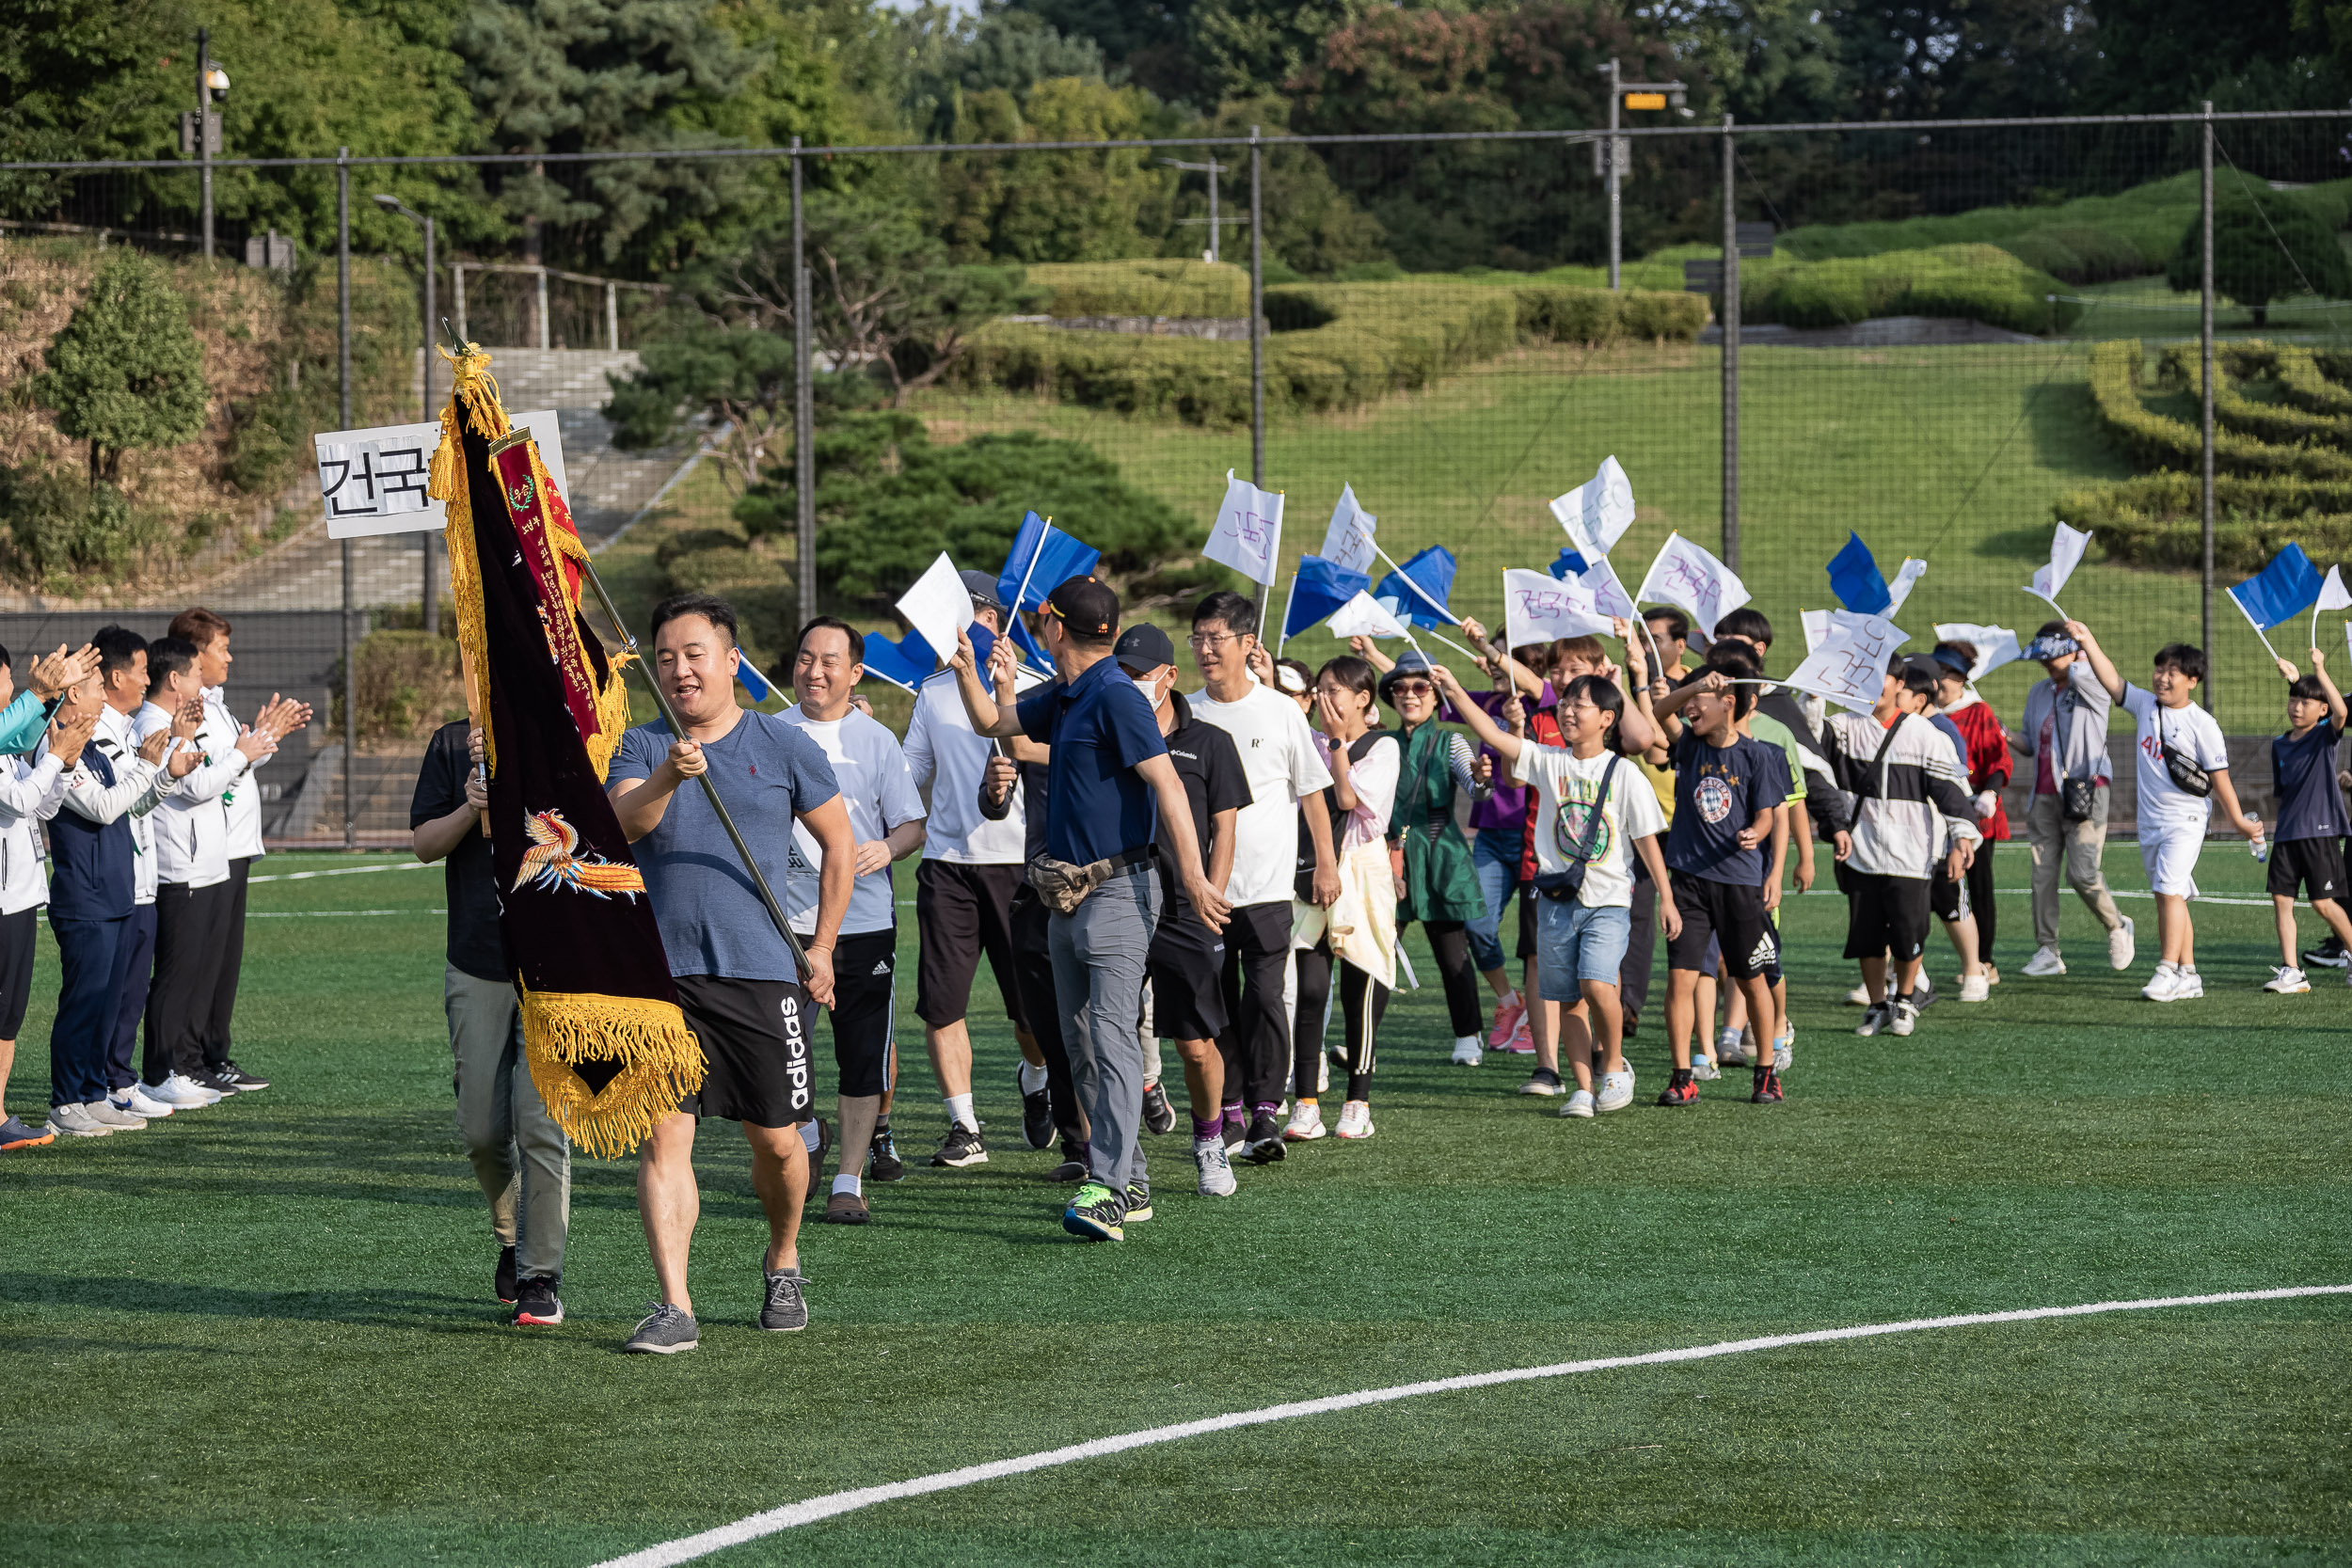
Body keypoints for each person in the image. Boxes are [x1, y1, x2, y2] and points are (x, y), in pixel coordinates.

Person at [609, 592, 855, 1354]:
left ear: (732, 661)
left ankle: (782, 1258)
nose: (679, 670)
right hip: (660, 979)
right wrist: (671, 778)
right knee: (663, 1138)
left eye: (694, 654)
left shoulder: (783, 747)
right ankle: (675, 1304)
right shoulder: (643, 747)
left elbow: (840, 847)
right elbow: (623, 823)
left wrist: (823, 948)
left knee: (779, 1141)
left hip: (763, 975)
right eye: (666, 659)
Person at [950, 576, 1230, 1243]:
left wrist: (1192, 874)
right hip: (1066, 895)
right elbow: (997, 728)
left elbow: (1166, 783)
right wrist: (975, 672)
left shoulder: (1115, 695)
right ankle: (1130, 1180)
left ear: (1053, 627)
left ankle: (1106, 1187)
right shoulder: (1070, 693)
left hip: (1119, 891)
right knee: (1077, 1043)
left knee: (1108, 1035)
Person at [1439, 663, 1673, 1119]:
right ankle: (1583, 1089)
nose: (1567, 711)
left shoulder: (1625, 774)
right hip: (1555, 900)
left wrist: (1667, 897)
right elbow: (1491, 732)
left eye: (1579, 705)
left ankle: (1615, 1065)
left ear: (1607, 719)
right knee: (1567, 999)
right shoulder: (1548, 761)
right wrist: (1453, 689)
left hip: (1607, 901)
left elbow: (1646, 840)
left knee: (1596, 982)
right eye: (1565, 703)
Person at [411, 721, 573, 1324]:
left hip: (554, 968)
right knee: (481, 1128)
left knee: (542, 1127)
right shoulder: (455, 743)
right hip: (476, 961)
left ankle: (540, 1274)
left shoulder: (573, 732)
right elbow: (425, 843)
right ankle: (512, 1235)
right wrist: (470, 805)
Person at [903, 572, 1062, 1174]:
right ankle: (964, 1126)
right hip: (947, 867)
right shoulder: (932, 691)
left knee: (1029, 1012)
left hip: (1024, 869)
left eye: (971, 617)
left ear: (996, 620)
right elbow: (909, 773)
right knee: (942, 1005)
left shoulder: (1039, 688)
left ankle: (1038, 1074)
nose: (958, 631)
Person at [778, 617, 927, 1225]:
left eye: (830, 660)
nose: (815, 671)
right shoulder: (769, 732)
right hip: (786, 925)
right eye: (806, 657)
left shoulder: (877, 741)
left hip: (865, 926)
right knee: (782, 1050)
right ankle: (806, 1129)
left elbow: (912, 825)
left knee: (863, 1054)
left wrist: (886, 848)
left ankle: (847, 1178)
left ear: (855, 672)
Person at [1184, 590, 1334, 1160]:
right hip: (1205, 890)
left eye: (1216, 638)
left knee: (1267, 999)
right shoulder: (1186, 712)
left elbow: (1312, 792)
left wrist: (1325, 862)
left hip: (1269, 888)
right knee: (1214, 1005)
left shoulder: (1279, 710)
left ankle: (1267, 1112)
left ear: (1249, 644)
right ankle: (1228, 1112)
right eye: (1198, 638)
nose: (1204, 649)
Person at [42, 649, 197, 1139]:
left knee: (106, 1003)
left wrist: (165, 772)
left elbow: (135, 804)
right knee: (83, 1003)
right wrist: (147, 768)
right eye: (93, 690)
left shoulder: (92, 748)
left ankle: (92, 1092)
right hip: (83, 896)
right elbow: (105, 808)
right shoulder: (59, 748)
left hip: (114, 891)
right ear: (74, 696)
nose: (100, 698)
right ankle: (65, 1101)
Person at [1119, 624, 1250, 1194]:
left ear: (1170, 677)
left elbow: (1225, 826)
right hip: (1118, 900)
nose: (1129, 685)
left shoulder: (1211, 741)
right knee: (1110, 1038)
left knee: (1196, 1047)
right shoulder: (1110, 730)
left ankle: (1209, 1140)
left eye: (1139, 675)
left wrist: (1209, 895)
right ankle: (1118, 1160)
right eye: (1120, 674)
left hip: (1185, 909)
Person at [2066, 623, 2258, 1001]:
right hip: (2150, 822)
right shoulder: (2145, 706)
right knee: (2169, 896)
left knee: (2169, 891)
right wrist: (2088, 640)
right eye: (2159, 669)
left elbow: (2220, 779)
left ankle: (2166, 970)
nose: (2162, 678)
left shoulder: (2202, 724)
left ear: (2192, 679)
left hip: (2185, 821)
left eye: (2172, 672)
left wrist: (2238, 821)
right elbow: (2113, 682)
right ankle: (2189, 974)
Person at [172, 608, 307, 1091]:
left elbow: (236, 767)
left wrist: (266, 738)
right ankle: (190, 1060)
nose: (230, 656)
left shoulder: (217, 705)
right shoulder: (191, 711)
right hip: (211, 849)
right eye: (221, 648)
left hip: (233, 847)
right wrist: (250, 748)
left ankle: (212, 1055)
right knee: (202, 962)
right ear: (195, 655)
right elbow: (207, 777)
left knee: (223, 963)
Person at [139, 635, 278, 1103]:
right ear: (175, 678)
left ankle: (181, 1067)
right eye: (197, 674)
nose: (204, 683)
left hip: (205, 864)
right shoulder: (153, 725)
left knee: (195, 974)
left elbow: (209, 775)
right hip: (180, 868)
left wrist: (244, 752)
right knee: (176, 976)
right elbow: (196, 786)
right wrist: (243, 754)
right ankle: (161, 1072)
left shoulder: (181, 720)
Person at [1817, 656, 1984, 1038]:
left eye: (1881, 679)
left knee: (1910, 935)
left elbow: (1951, 791)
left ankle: (1906, 1000)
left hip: (1913, 855)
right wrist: (1815, 696)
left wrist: (1961, 837)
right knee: (1868, 938)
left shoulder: (1926, 735)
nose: (1871, 686)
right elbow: (1809, 741)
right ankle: (1876, 1006)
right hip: (1862, 851)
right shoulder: (1843, 728)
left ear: (1898, 684)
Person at [1645, 667, 1789, 1105]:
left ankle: (1765, 1072)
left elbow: (1767, 813)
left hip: (1739, 885)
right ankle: (1683, 1076)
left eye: (1701, 702)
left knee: (1751, 981)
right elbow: (1658, 709)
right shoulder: (1688, 745)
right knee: (1680, 980)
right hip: (1688, 883)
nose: (1690, 710)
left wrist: (1759, 835)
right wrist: (1692, 687)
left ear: (1728, 703)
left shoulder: (1758, 755)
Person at [1287, 656, 1400, 1143]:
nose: (1327, 699)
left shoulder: (1383, 746)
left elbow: (1349, 799)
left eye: (1337, 690)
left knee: (1363, 986)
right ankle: (1306, 1100)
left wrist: (1335, 745)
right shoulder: (1307, 740)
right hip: (1314, 868)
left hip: (1362, 871)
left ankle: (1358, 1100)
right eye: (1323, 689)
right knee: (1309, 989)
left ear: (1363, 699)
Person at [1379, 650, 1494, 1066]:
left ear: (1434, 696)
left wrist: (1482, 780)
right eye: (1400, 687)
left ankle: (1468, 1037)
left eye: (1420, 686)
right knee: (1377, 951)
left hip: (1441, 856)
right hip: (1390, 858)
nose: (1410, 694)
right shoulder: (1382, 743)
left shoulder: (1451, 740)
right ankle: (1364, 1041)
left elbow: (1476, 788)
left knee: (1452, 956)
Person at [0, 654, 95, 1150]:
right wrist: (55, 757)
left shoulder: (11, 746)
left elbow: (40, 804)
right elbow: (16, 802)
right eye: (7, 677)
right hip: (2, 901)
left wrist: (62, 763)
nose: (14, 685)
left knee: (8, 1015)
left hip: (18, 896)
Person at [1450, 616, 1551, 1055]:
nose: (1494, 663)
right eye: (1493, 654)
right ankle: (1510, 1002)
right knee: (1476, 924)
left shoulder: (1548, 708)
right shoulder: (1487, 702)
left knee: (1537, 944)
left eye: (1506, 656)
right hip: (1491, 835)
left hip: (1536, 842)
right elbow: (1438, 696)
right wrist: (1374, 655)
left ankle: (1535, 1017)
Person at [2010, 622, 2135, 978]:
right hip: (2045, 794)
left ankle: (2117, 925)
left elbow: (2089, 674)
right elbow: (2031, 745)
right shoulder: (2038, 692)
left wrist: (2081, 650)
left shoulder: (2090, 683)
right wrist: (2002, 732)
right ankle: (2047, 949)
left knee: (2082, 873)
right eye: (2043, 658)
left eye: (2054, 656)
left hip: (2086, 791)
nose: (2047, 665)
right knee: (2042, 876)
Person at [2262, 647, 2352, 992]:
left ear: (2322, 710)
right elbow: (2282, 792)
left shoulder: (2324, 736)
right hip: (2287, 834)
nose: (2297, 707)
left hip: (2321, 832)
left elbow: (2341, 711)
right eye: (2293, 700)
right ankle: (2292, 970)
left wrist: (2317, 668)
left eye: (2306, 703)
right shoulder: (2279, 745)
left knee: (2322, 903)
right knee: (2281, 900)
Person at [1930, 643, 2010, 1000]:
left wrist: (1990, 793)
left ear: (1961, 679)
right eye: (1937, 673)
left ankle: (1984, 961)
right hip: (1932, 815)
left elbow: (1999, 760)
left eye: (1946, 674)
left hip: (1976, 812)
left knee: (1979, 886)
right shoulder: (1924, 715)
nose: (1939, 682)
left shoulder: (1978, 713)